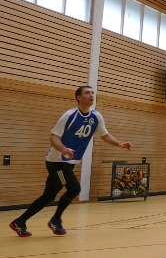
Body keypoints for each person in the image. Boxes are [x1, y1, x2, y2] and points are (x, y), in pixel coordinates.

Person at [9, 86, 133, 237]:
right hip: (57, 161)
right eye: (87, 93)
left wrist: (119, 144)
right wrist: (63, 149)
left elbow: (104, 134)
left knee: (48, 196)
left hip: (70, 162)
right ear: (79, 97)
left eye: (93, 93)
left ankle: (19, 222)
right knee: (74, 189)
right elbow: (53, 137)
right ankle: (56, 220)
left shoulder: (96, 117)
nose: (91, 95)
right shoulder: (69, 115)